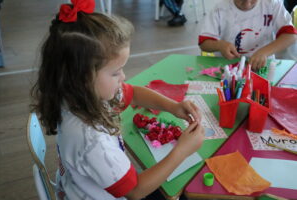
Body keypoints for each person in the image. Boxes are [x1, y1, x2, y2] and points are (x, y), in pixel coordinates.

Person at [30, 0, 205, 199]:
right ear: (83, 77)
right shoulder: (92, 142)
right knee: (182, 191)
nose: (123, 77)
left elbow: (134, 93)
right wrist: (182, 151)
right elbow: (135, 191)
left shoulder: (74, 93)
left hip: (81, 184)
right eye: (115, 72)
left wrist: (173, 106)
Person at [198, 0, 297, 70]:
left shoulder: (272, 4)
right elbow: (203, 43)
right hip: (227, 66)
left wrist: (264, 52)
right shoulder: (219, 8)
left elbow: (291, 35)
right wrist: (220, 45)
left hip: (262, 65)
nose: (247, 3)